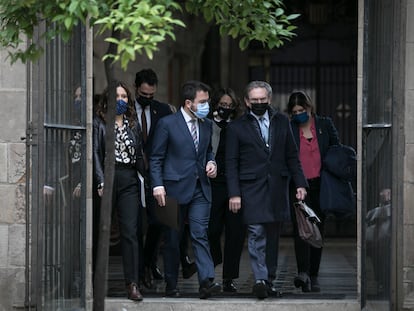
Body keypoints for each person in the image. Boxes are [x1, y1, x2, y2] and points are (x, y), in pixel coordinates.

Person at [225, 81, 308, 299]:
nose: (259, 103)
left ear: (269, 99)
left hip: (277, 189)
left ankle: (268, 280)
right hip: (250, 189)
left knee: (272, 237)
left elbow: (292, 155)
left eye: (263, 100)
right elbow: (231, 163)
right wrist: (234, 193)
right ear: (246, 102)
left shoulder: (282, 121)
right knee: (256, 233)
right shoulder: (236, 127)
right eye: (255, 101)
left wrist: (300, 183)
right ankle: (260, 279)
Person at [150, 80, 221, 299]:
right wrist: (157, 185)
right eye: (203, 102)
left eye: (207, 101)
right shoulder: (167, 123)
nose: (206, 106)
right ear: (189, 102)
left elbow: (208, 152)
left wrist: (212, 164)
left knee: (200, 234)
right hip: (172, 189)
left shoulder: (207, 124)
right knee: (172, 238)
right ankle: (171, 283)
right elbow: (156, 157)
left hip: (201, 187)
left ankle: (206, 281)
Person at [134, 69, 196, 288]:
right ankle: (139, 269)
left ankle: (148, 265)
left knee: (158, 222)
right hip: (132, 173)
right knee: (135, 226)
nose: (148, 98)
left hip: (155, 175)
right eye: (143, 94)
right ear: (136, 89)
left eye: (151, 95)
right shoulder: (128, 108)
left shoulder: (163, 111)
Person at [93, 81, 146, 301]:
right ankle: (95, 281)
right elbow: (95, 153)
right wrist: (100, 181)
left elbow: (140, 154)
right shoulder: (99, 123)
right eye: (117, 97)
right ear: (107, 100)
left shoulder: (133, 123)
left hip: (129, 179)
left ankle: (132, 283)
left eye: (124, 97)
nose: (121, 100)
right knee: (101, 231)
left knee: (130, 233)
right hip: (108, 176)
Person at [286, 90, 340, 293]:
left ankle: (314, 273)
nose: (299, 113)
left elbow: (336, 149)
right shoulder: (290, 128)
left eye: (302, 109)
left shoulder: (324, 125)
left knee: (318, 229)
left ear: (310, 108)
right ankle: (303, 273)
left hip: (321, 185)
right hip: (299, 187)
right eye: (295, 111)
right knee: (301, 230)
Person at [207, 87, 246, 292]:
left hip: (234, 185)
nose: (226, 108)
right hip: (212, 185)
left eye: (230, 106)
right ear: (216, 104)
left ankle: (229, 278)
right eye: (223, 105)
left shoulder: (238, 126)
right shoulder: (207, 124)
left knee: (235, 233)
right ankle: (214, 263)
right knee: (211, 229)